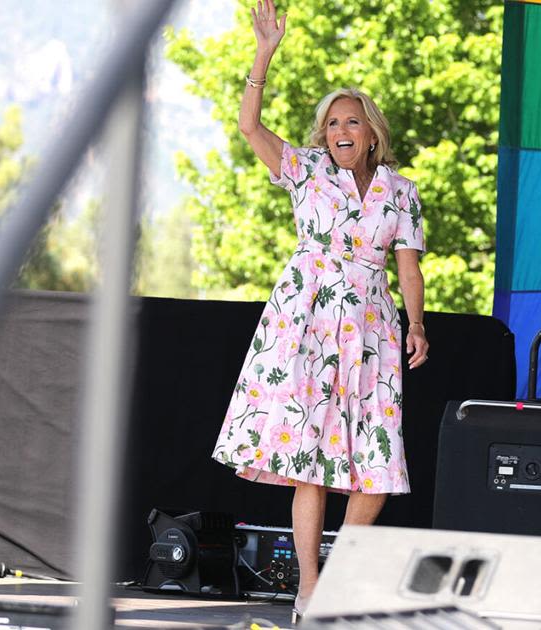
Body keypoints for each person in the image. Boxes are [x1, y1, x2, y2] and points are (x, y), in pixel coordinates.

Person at [211, 0, 429, 617]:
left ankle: (339, 574)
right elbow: (250, 128)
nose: (340, 131)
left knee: (376, 464)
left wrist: (416, 324)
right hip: (305, 319)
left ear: (371, 132)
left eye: (351, 122)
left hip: (372, 325)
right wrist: (263, 55)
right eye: (332, 123)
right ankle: (310, 588)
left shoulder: (401, 191)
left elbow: (408, 268)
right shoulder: (305, 171)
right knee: (309, 458)